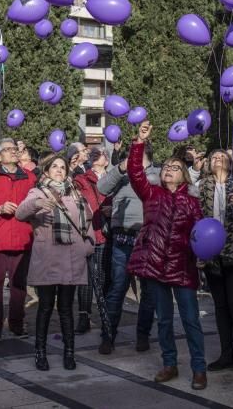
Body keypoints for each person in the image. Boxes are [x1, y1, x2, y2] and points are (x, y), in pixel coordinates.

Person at [127, 121, 207, 390]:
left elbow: (200, 233)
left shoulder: (193, 202)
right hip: (155, 266)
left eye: (175, 168)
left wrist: (202, 256)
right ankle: (169, 364)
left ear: (184, 175)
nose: (169, 171)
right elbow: (135, 173)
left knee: (191, 320)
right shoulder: (152, 194)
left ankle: (199, 368)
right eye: (166, 168)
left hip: (183, 267)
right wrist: (139, 142)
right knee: (164, 320)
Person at [15, 154, 92, 370]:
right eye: (55, 167)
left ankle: (69, 353)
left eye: (63, 167)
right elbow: (20, 213)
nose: (59, 170)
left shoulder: (75, 193)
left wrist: (89, 245)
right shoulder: (38, 192)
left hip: (72, 258)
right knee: (46, 307)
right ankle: (40, 352)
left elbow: (88, 221)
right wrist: (38, 203)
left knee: (67, 308)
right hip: (48, 258)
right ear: (46, 170)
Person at [197, 148, 233, 381]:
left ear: (230, 162)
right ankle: (226, 355)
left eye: (222, 157)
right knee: (220, 308)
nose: (217, 160)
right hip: (212, 256)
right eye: (213, 158)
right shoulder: (202, 186)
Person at [95, 144, 157, 355]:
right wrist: (121, 168)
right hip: (122, 239)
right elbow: (101, 187)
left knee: (148, 292)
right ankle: (108, 336)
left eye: (136, 157)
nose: (133, 160)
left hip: (147, 240)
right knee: (117, 289)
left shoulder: (156, 175)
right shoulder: (121, 176)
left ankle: (143, 335)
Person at [0, 138, 35, 340]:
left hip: (22, 238)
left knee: (19, 285)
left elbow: (36, 201)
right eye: (7, 149)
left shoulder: (29, 177)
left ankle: (16, 324)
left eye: (14, 149)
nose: (13, 152)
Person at [72, 147, 109, 336]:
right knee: (85, 279)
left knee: (103, 278)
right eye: (94, 153)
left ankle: (105, 317)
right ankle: (83, 317)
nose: (97, 154)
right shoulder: (82, 178)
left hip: (106, 234)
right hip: (87, 234)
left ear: (107, 160)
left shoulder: (113, 179)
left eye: (101, 153)